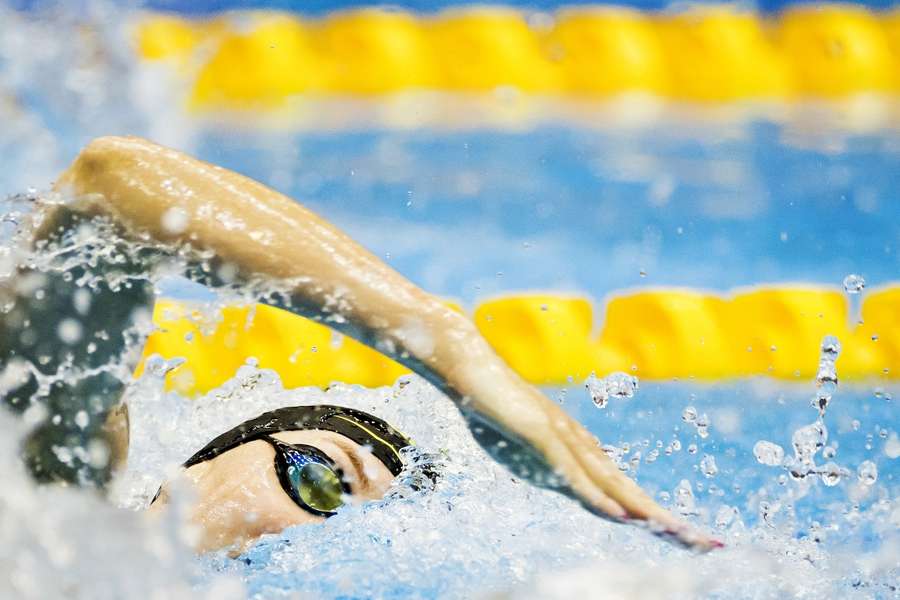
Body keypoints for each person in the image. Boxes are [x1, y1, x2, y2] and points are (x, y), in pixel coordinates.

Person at [0, 136, 720, 553]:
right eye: (320, 478)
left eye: (350, 530)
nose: (308, 536)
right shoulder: (51, 501)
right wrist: (449, 345)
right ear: (205, 458)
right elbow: (109, 189)